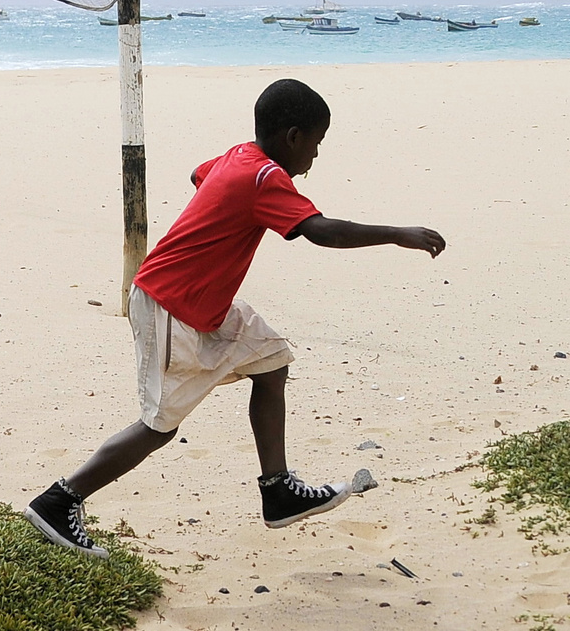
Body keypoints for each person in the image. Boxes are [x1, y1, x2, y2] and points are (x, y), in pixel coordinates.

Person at [25, 78, 446, 559]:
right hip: (171, 305)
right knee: (159, 426)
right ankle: (60, 501)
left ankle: (278, 490)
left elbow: (197, 175)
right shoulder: (265, 178)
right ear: (292, 137)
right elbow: (320, 232)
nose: (315, 157)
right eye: (315, 143)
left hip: (206, 304)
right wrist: (396, 234)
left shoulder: (238, 155)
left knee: (271, 361)